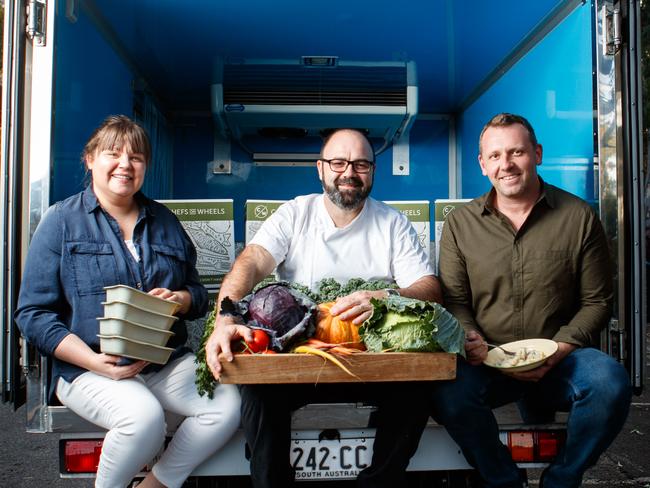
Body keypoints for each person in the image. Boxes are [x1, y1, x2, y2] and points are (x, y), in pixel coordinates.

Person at [205, 128, 442, 487]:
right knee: (258, 391)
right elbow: (252, 261)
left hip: (371, 360)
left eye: (361, 164)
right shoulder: (295, 214)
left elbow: (429, 287)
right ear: (320, 168)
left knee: (415, 392)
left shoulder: (393, 224)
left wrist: (385, 296)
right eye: (338, 162)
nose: (349, 171)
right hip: (300, 357)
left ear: (373, 171)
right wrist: (227, 315)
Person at [15, 115, 241, 488]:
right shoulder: (61, 221)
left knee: (229, 405)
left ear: (145, 167)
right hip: (87, 368)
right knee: (144, 419)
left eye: (136, 157)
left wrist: (180, 298)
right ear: (90, 159)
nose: (125, 164)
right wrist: (93, 361)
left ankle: (157, 484)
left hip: (164, 364)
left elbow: (199, 296)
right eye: (113, 154)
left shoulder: (166, 221)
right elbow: (33, 314)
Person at [432, 113, 632, 488]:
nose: (505, 164)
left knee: (609, 381)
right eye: (494, 156)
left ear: (537, 154)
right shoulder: (461, 224)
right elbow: (455, 301)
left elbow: (598, 301)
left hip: (561, 360)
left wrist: (558, 350)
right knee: (446, 393)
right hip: (487, 360)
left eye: (516, 152)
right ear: (482, 164)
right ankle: (503, 480)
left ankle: (563, 478)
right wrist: (471, 340)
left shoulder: (578, 217)